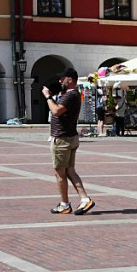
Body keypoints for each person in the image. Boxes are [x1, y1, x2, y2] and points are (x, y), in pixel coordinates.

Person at [42, 67, 95, 216]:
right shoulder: (71, 95)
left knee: (59, 172)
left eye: (62, 78)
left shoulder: (70, 95)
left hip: (62, 139)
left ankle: (65, 204)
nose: (60, 81)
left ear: (70, 79)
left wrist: (47, 97)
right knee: (70, 170)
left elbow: (56, 111)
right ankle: (85, 199)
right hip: (70, 137)